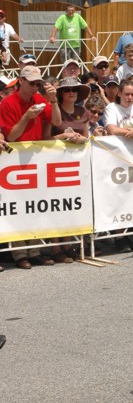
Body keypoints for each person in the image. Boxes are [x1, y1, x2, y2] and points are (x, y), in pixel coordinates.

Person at [0, 66, 62, 268]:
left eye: (38, 83)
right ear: (21, 81)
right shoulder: (8, 102)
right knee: (18, 207)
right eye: (32, 83)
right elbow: (11, 136)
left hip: (35, 159)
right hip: (15, 160)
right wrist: (26, 117)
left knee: (35, 205)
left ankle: (34, 251)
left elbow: (56, 121)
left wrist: (53, 100)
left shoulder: (39, 99)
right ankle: (19, 254)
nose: (36, 87)